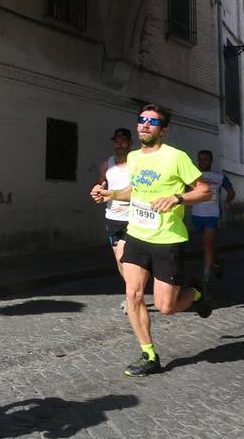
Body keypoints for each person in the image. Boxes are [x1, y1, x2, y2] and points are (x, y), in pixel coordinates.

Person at [91, 105, 213, 378]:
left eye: (152, 122)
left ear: (163, 130)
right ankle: (149, 354)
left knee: (165, 307)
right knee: (132, 294)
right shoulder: (134, 157)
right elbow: (135, 189)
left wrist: (177, 198)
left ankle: (196, 293)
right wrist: (109, 195)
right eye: (142, 120)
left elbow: (205, 192)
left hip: (167, 240)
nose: (145, 125)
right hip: (136, 234)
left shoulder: (176, 157)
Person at [93, 128, 134, 312]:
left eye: (122, 141)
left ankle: (132, 296)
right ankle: (132, 292)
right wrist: (96, 191)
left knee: (123, 256)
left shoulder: (137, 163)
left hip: (132, 218)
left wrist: (111, 195)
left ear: (130, 143)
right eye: (116, 141)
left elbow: (139, 190)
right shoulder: (106, 163)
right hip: (112, 218)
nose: (119, 144)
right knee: (119, 261)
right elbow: (100, 184)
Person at [189, 150, 235, 288]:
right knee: (208, 244)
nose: (203, 162)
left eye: (206, 159)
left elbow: (232, 192)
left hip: (212, 215)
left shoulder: (219, 177)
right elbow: (185, 192)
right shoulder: (192, 176)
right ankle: (217, 261)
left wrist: (227, 201)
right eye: (200, 159)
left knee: (207, 245)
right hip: (196, 215)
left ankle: (206, 276)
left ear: (211, 160)